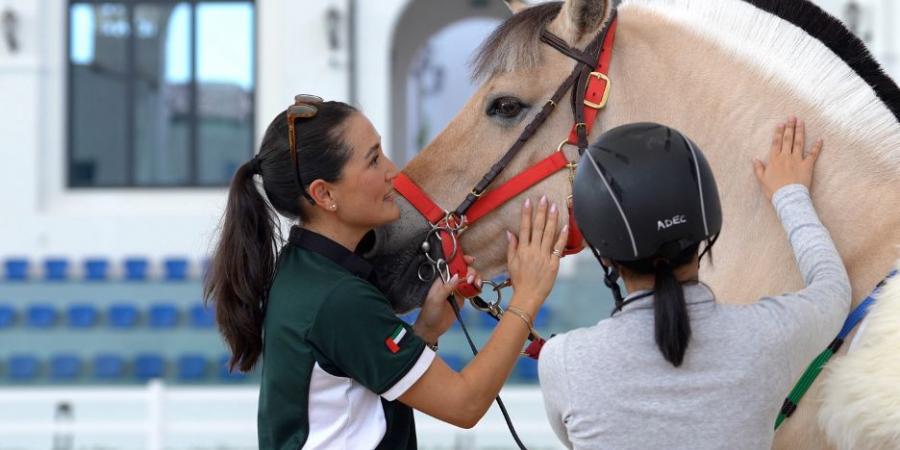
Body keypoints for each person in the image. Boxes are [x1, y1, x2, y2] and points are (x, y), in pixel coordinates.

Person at [204, 94, 568, 449]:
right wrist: (528, 295)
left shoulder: (304, 270)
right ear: (324, 194)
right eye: (374, 160)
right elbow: (464, 404)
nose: (393, 171)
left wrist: (425, 330)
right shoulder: (338, 298)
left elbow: (359, 395)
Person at [538, 119, 851, 449]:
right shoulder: (767, 336)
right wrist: (790, 194)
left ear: (605, 251)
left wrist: (526, 299)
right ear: (706, 225)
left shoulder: (564, 362)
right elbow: (834, 289)